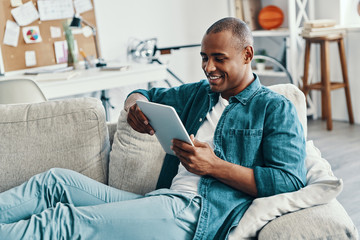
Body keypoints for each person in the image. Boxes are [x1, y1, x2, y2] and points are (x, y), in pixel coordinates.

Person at [0, 17, 306, 240]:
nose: (208, 67)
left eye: (219, 59)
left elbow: (290, 180)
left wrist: (214, 167)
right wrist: (135, 107)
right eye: (204, 57)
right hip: (163, 201)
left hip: (198, 214)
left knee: (63, 223)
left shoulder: (274, 108)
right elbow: (145, 94)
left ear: (247, 55)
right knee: (55, 182)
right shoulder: (199, 94)